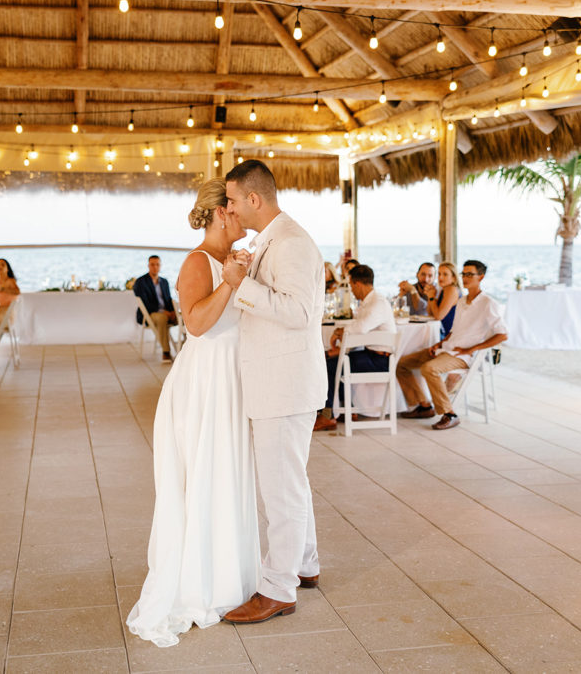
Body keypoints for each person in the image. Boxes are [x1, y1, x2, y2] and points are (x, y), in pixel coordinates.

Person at [126, 178, 259, 648]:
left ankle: (231, 577)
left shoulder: (232, 260)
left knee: (228, 476)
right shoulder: (197, 262)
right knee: (205, 475)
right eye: (238, 207)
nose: (245, 213)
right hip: (204, 382)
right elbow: (198, 324)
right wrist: (230, 281)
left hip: (232, 379)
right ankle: (203, 584)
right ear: (222, 212)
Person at [220, 160, 324, 625]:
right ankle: (305, 564)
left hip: (284, 386)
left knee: (279, 490)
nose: (230, 208)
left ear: (254, 200)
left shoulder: (293, 243)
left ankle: (277, 587)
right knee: (290, 481)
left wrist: (242, 285)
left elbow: (299, 312)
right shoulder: (273, 241)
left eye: (233, 200)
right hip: (279, 382)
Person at [395, 260, 508, 431]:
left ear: (481, 277)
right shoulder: (462, 302)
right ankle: (423, 405)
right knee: (401, 364)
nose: (465, 277)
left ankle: (449, 414)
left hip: (464, 355)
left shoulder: (488, 303)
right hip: (448, 347)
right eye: (464, 274)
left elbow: (503, 334)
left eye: (470, 274)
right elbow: (454, 330)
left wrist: (472, 349)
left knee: (429, 369)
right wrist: (439, 343)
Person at [314, 264, 396, 431]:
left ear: (358, 284)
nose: (351, 290)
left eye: (351, 285)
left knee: (330, 366)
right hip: (371, 355)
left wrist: (340, 331)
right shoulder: (370, 302)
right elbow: (359, 326)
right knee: (334, 361)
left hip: (380, 360)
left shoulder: (378, 303)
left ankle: (327, 416)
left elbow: (360, 328)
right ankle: (347, 409)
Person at [133, 256, 178, 362]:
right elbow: (145, 303)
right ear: (148, 266)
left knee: (184, 317)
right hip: (150, 314)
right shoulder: (141, 282)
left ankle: (185, 348)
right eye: (152, 264)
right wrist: (164, 312)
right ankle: (166, 353)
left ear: (160, 266)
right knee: (162, 318)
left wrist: (173, 311)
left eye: (157, 264)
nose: (155, 267)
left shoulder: (164, 282)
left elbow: (168, 300)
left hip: (166, 313)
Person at [425, 261, 461, 337]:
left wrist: (431, 297)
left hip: (450, 336)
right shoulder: (443, 289)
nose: (440, 277)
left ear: (454, 277)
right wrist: (430, 296)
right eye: (439, 274)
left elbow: (438, 316)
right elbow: (430, 313)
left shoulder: (452, 290)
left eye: (445, 274)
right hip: (442, 332)